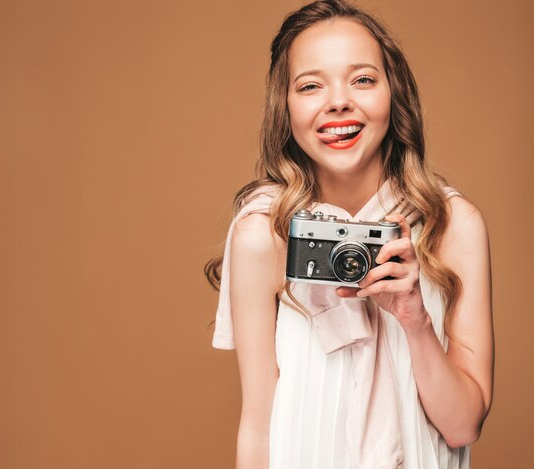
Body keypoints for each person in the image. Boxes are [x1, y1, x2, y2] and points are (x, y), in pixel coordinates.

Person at [205, 1, 494, 468]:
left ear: (393, 94)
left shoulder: (453, 226)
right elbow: (259, 425)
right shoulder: (265, 234)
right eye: (311, 85)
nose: (338, 101)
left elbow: (463, 426)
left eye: (362, 79)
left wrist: (415, 321)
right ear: (287, 106)